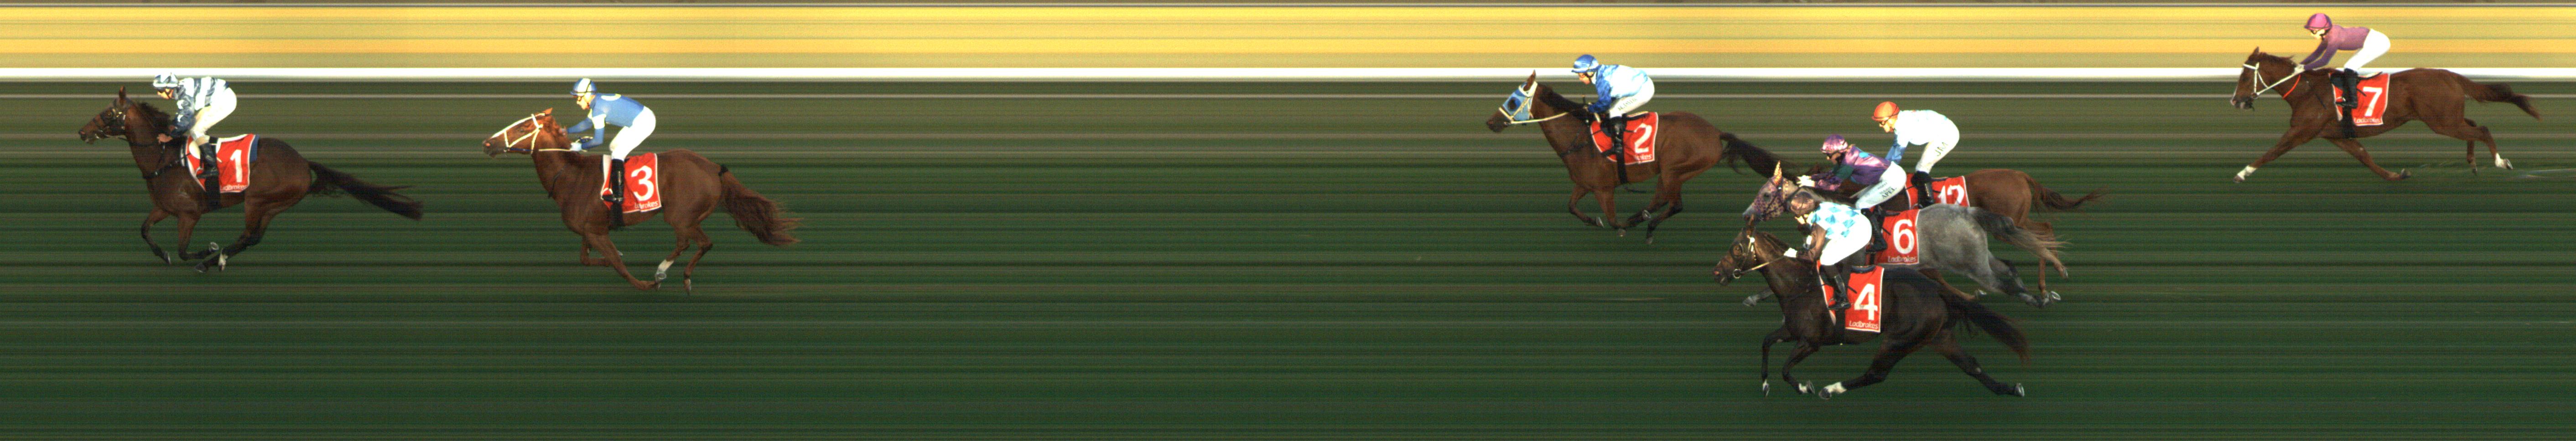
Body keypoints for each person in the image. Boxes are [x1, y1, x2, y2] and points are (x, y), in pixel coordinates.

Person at [565, 78, 658, 208]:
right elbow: (586, 124)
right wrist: (566, 131)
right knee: (613, 147)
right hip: (642, 117)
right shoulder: (598, 101)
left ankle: (619, 196)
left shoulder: (598, 110)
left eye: (579, 98)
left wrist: (580, 147)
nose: (577, 102)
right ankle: (624, 174)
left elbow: (598, 141)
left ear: (587, 95)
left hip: (645, 122)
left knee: (618, 154)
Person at [1778, 187, 1873, 311]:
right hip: (1858, 223)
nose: (1795, 219)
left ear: (1804, 214)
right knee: (1826, 250)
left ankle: (1843, 299)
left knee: (1826, 260)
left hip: (1860, 233)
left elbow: (1813, 255)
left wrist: (1795, 254)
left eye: (1796, 216)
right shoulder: (1820, 206)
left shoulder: (1819, 222)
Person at [152, 73, 236, 210]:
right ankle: (205, 153)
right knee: (195, 125)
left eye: (160, 90)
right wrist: (173, 127)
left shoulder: (184, 96)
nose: (158, 93)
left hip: (225, 101)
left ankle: (212, 167)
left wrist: (170, 137)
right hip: (219, 97)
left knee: (197, 131)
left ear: (169, 89)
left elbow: (186, 118)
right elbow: (184, 116)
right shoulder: (181, 92)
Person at [2299, 13, 2391, 136]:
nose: (2311, 34)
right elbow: (2317, 54)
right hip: (2372, 39)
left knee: (2350, 67)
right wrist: (2300, 65)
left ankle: (2353, 101)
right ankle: (2353, 92)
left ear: (2323, 30)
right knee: (2350, 66)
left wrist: (2304, 68)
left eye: (2313, 31)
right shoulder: (2328, 34)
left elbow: (2324, 61)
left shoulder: (2334, 39)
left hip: (2378, 42)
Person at [1867, 102, 1958, 208]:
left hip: (1948, 135)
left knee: (1922, 168)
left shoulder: (1903, 128)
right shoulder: (1900, 120)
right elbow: (1894, 150)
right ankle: (1923, 191)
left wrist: (1882, 173)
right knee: (1919, 171)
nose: (1880, 125)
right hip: (1942, 130)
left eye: (1882, 122)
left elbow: (1896, 157)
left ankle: (1928, 204)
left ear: (1891, 119)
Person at [1572, 55, 1655, 156]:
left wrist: (1590, 109)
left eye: (1581, 76)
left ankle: (1618, 146)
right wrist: (1597, 107)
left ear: (1590, 73)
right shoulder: (1602, 71)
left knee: (1615, 111)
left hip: (1643, 91)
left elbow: (1605, 104)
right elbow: (1609, 98)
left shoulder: (1602, 82)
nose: (1580, 79)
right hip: (1642, 83)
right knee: (1612, 108)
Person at [1813, 134, 1906, 209]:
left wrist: (1813, 184)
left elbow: (1833, 184)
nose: (1828, 158)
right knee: (1856, 200)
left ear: (1838, 152)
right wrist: (1811, 178)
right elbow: (1832, 174)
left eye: (1829, 155)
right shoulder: (1848, 156)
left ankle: (1874, 227)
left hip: (1894, 180)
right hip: (1888, 176)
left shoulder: (1848, 162)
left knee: (1860, 204)